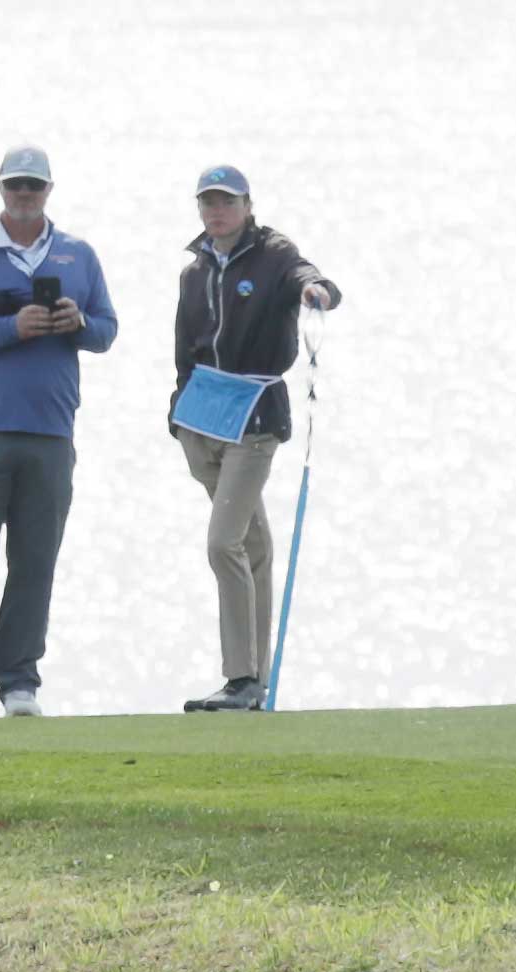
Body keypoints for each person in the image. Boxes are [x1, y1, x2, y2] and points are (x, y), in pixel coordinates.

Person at [0, 146, 118, 719]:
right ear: (1, 189)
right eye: (16, 186)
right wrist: (12, 326)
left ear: (49, 190)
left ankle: (19, 681)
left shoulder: (78, 255)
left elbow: (107, 329)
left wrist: (76, 322)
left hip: (51, 430)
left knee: (36, 559)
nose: (24, 195)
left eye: (34, 186)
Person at [170, 165, 343, 712]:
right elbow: (184, 351)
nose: (216, 212)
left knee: (224, 542)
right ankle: (255, 683)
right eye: (208, 203)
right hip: (202, 420)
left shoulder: (272, 253)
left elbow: (303, 275)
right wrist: (176, 416)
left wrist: (318, 290)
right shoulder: (194, 271)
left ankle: (241, 678)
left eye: (227, 203)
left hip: (255, 418)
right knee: (255, 547)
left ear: (247, 206)